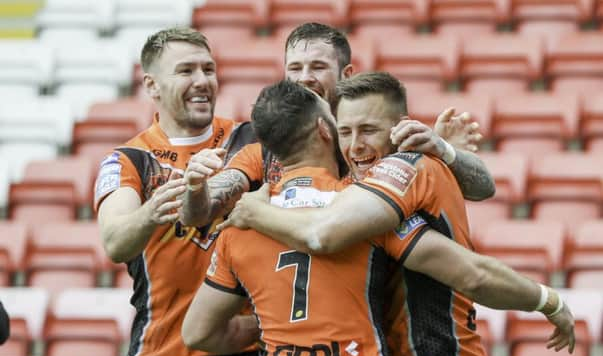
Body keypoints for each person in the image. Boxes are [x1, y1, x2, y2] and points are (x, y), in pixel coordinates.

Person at [213, 74, 575, 356]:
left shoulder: (404, 168)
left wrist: (548, 301)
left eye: (368, 130)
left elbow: (472, 272)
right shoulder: (362, 183)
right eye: (345, 131)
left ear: (401, 127)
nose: (354, 145)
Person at [94, 27, 259, 356]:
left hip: (242, 355)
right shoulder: (130, 159)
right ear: (152, 85)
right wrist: (152, 212)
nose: (202, 81)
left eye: (208, 69)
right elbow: (115, 243)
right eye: (186, 71)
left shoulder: (249, 139)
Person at [180, 22, 494, 228]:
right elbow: (198, 214)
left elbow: (483, 188)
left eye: (318, 66)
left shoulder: (387, 134)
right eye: (295, 68)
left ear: (346, 73)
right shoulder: (265, 149)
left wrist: (444, 152)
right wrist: (195, 186)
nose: (305, 78)